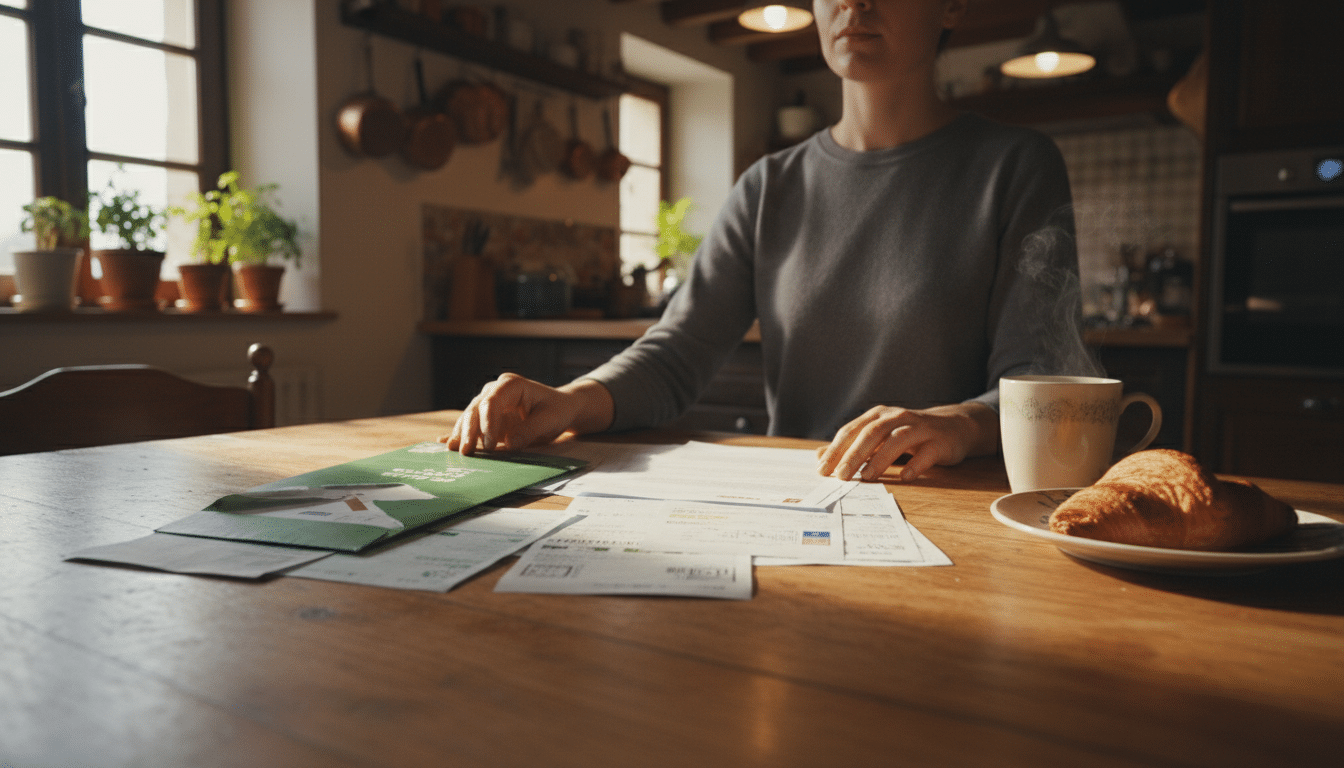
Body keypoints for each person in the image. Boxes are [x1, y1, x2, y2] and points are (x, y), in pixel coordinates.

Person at [443, 0, 1081, 483]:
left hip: (953, 505)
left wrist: (958, 424)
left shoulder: (1016, 167)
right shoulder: (770, 186)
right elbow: (676, 352)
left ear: (951, 6)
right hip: (805, 501)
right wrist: (567, 402)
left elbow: (1042, 378)